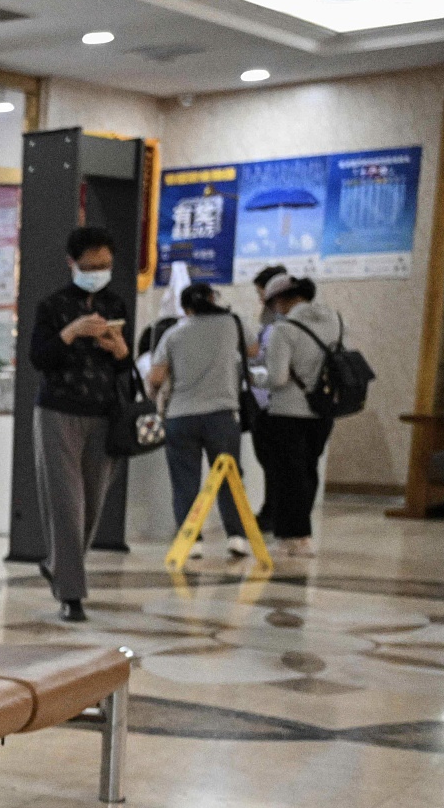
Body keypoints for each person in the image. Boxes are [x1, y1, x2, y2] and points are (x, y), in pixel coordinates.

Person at [28, 225, 135, 623]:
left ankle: (59, 564)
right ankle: (71, 595)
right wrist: (71, 333)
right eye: (91, 265)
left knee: (91, 505)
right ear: (72, 264)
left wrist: (120, 349)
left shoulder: (116, 303)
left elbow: (124, 366)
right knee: (66, 506)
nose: (99, 271)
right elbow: (39, 358)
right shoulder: (53, 305)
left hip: (105, 415)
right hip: (59, 412)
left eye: (105, 265)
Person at [146, 282, 250, 559]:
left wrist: (152, 396)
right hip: (222, 415)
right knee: (229, 477)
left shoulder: (173, 334)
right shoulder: (232, 323)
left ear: (184, 307)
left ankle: (192, 540)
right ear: (213, 299)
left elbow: (155, 378)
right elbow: (251, 351)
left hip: (181, 417)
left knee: (185, 481)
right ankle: (237, 536)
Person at [257, 273, 339, 556]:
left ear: (281, 300)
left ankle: (290, 537)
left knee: (286, 475)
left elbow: (277, 378)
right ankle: (304, 537)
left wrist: (256, 379)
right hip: (322, 410)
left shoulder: (284, 329)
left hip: (287, 412)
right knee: (308, 471)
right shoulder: (336, 321)